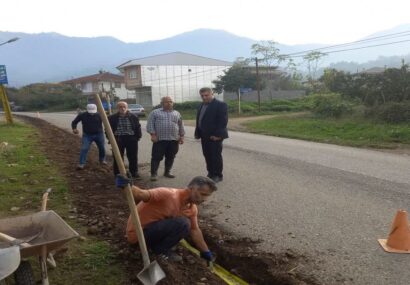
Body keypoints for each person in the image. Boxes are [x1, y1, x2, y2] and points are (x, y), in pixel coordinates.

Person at [115, 175, 217, 263]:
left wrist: (205, 251)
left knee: (184, 224)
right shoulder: (168, 194)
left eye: (208, 196)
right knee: (183, 223)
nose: (205, 199)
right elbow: (141, 194)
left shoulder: (192, 208)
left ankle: (156, 248)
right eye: (203, 194)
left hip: (152, 234)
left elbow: (195, 230)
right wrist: (127, 185)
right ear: (191, 188)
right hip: (138, 236)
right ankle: (159, 251)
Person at [146, 96, 185, 181]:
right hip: (160, 140)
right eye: (166, 102)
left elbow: (181, 125)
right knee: (156, 157)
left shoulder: (177, 113)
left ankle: (167, 172)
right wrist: (153, 135)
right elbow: (150, 124)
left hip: (173, 140)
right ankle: (154, 174)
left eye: (170, 101)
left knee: (171, 156)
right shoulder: (155, 112)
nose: (169, 103)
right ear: (162, 103)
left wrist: (181, 136)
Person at [194, 87, 228, 183]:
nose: (204, 97)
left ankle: (217, 175)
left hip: (215, 136)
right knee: (207, 154)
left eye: (206, 95)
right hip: (204, 135)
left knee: (215, 155)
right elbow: (200, 120)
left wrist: (218, 135)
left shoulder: (220, 105)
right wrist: (198, 133)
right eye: (202, 96)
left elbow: (223, 121)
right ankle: (210, 173)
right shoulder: (201, 105)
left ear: (212, 94)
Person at [108, 101, 142, 179]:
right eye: (120, 107)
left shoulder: (133, 116)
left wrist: (137, 137)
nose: (122, 108)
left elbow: (138, 127)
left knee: (133, 157)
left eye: (124, 107)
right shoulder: (111, 118)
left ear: (127, 108)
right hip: (117, 139)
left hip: (131, 139)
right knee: (118, 157)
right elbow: (107, 129)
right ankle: (118, 173)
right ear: (117, 108)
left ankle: (134, 172)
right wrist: (110, 139)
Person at [71, 103, 106, 170]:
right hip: (87, 135)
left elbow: (107, 123)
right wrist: (74, 129)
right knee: (84, 148)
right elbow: (74, 122)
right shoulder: (82, 115)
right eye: (90, 112)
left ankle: (102, 160)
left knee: (102, 148)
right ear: (87, 110)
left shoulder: (100, 115)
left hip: (99, 134)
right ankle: (81, 163)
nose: (92, 113)